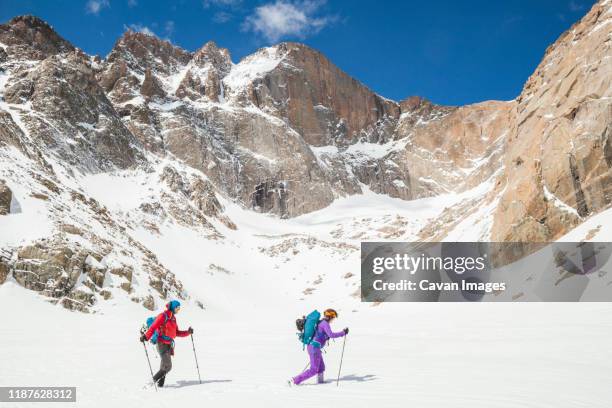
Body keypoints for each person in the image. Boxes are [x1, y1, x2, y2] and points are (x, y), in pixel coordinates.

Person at [140, 300, 193, 387]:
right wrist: (146, 337)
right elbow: (153, 327)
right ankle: (151, 382)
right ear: (173, 307)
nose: (178, 310)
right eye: (177, 308)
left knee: (164, 366)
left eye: (179, 308)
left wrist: (188, 332)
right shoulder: (163, 316)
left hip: (169, 345)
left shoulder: (173, 319)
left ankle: (160, 385)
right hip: (161, 344)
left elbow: (177, 333)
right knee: (168, 366)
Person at [291, 308, 348, 385]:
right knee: (313, 370)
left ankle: (320, 383)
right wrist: (343, 333)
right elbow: (331, 335)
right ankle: (294, 381)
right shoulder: (325, 324)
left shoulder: (321, 322)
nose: (333, 320)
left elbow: (322, 334)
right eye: (333, 318)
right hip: (314, 348)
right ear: (330, 317)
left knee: (321, 367)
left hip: (314, 347)